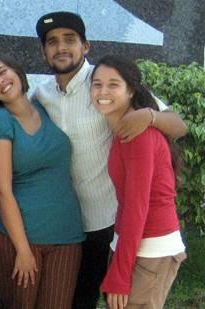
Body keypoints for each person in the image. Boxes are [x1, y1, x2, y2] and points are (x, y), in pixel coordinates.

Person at [32, 11, 187, 308]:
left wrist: (149, 115)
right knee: (80, 299)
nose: (61, 47)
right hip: (71, 220)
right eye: (52, 42)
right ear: (43, 50)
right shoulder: (41, 95)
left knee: (126, 297)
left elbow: (177, 126)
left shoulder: (106, 80)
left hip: (114, 217)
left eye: (69, 40)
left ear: (85, 46)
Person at [0, 53, 84, 308]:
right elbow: (1, 189)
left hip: (67, 235)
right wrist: (23, 250)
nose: (0, 81)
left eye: (2, 72)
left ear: (17, 70)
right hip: (21, 238)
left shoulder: (43, 107)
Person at [90, 55, 186, 309]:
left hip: (152, 247)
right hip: (132, 243)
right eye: (97, 84)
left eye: (113, 85)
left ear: (131, 90)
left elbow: (137, 207)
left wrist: (120, 276)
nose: (103, 91)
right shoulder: (123, 129)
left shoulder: (138, 135)